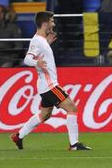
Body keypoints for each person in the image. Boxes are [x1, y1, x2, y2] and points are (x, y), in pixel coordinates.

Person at [10, 11, 91, 151]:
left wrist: (47, 44)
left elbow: (38, 52)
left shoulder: (41, 41)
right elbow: (27, 58)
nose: (54, 23)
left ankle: (18, 136)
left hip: (44, 85)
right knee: (72, 108)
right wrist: (37, 63)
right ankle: (74, 144)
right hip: (50, 85)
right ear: (45, 23)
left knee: (45, 114)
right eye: (52, 21)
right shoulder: (37, 41)